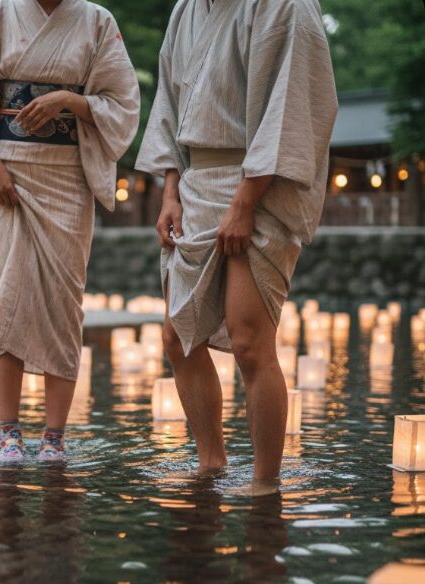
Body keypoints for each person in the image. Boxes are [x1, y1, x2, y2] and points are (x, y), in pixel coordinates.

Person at [136, 0, 337, 487]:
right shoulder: (186, 9)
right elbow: (167, 101)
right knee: (176, 337)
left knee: (249, 342)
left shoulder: (283, 5)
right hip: (194, 183)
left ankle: (266, 481)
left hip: (262, 183)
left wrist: (246, 202)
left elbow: (292, 106)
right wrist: (169, 191)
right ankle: (211, 462)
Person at [0, 0, 139, 461]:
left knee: (63, 304)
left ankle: (54, 436)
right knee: (5, 294)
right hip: (1, 173)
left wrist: (70, 101)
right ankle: (9, 431)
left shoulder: (97, 20)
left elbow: (124, 103)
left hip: (67, 177)